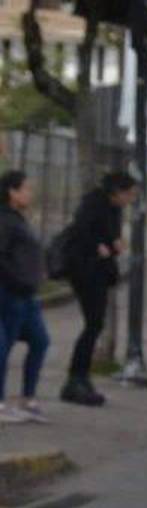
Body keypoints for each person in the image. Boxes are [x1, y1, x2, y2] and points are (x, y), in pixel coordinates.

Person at [60, 171, 136, 406]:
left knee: (95, 324)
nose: (131, 199)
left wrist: (114, 243)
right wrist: (97, 246)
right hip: (85, 269)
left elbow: (111, 235)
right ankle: (76, 377)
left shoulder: (115, 210)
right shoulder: (93, 204)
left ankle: (81, 376)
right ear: (117, 191)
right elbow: (82, 231)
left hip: (101, 271)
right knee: (93, 323)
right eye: (129, 194)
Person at [0, 171, 51, 424]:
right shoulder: (5, 220)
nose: (30, 193)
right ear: (12, 192)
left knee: (40, 340)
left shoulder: (19, 219)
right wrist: (17, 280)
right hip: (11, 293)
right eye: (26, 189)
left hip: (27, 294)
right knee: (3, 346)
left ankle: (27, 397)